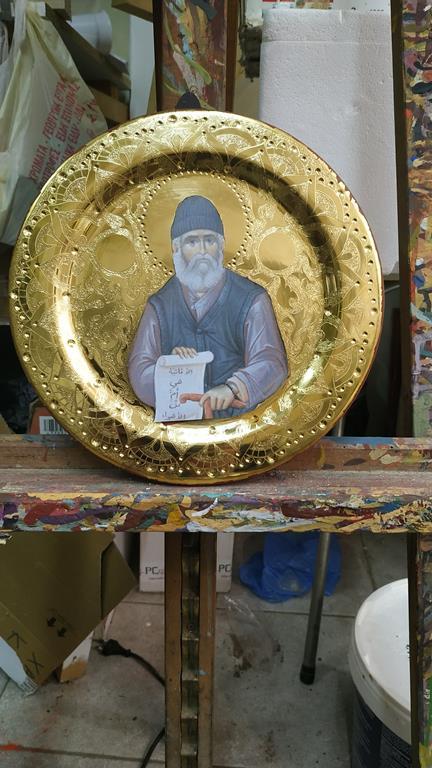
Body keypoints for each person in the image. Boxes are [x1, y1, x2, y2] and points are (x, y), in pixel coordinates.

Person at [128, 195, 288, 418]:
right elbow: (139, 370)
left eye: (209, 240)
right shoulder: (160, 305)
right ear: (176, 248)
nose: (202, 250)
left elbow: (271, 361)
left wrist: (233, 388)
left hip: (239, 424)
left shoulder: (252, 299)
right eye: (192, 242)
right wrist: (171, 366)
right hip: (180, 426)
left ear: (221, 245)